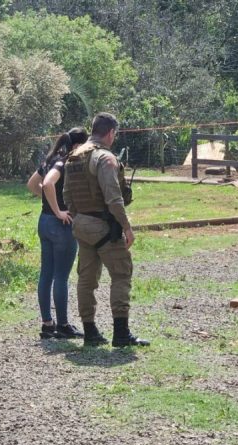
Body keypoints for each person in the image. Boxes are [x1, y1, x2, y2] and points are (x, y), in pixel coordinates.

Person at [63, 112, 150, 347]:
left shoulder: (74, 157)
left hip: (81, 224)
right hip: (103, 226)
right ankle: (121, 333)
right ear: (111, 133)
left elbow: (66, 196)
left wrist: (80, 217)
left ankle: (90, 332)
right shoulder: (105, 158)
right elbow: (114, 199)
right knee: (121, 273)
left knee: (86, 279)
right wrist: (127, 228)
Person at [27, 127, 89, 339]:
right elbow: (47, 183)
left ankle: (47, 324)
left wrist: (47, 201)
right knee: (61, 277)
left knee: (46, 274)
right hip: (60, 225)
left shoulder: (50, 159)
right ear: (76, 146)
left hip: (43, 223)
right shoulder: (64, 163)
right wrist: (58, 210)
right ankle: (62, 325)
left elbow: (32, 184)